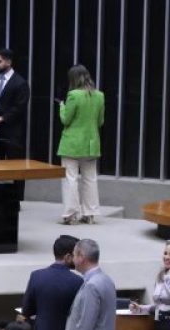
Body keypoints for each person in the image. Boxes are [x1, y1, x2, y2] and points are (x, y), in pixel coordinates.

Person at [20, 235, 83, 330]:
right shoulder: (78, 282)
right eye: (76, 255)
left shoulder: (36, 276)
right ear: (68, 256)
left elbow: (27, 310)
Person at [63, 238, 116, 330]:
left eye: (74, 255)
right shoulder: (106, 280)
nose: (72, 259)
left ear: (81, 257)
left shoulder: (92, 285)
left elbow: (85, 325)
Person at [58, 64, 105, 225]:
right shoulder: (99, 95)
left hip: (72, 143)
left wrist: (62, 107)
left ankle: (71, 214)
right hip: (91, 144)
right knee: (90, 178)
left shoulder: (73, 95)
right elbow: (100, 121)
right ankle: (90, 213)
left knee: (70, 178)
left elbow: (66, 120)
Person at [131, 242, 170, 330]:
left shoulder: (167, 278)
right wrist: (141, 308)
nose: (166, 257)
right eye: (165, 253)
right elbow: (159, 306)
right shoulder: (162, 275)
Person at [0, 48, 31, 159]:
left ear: (9, 62)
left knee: (16, 167)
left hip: (13, 132)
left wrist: (2, 118)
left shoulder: (20, 83)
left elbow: (20, 107)